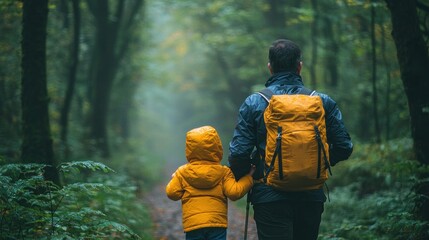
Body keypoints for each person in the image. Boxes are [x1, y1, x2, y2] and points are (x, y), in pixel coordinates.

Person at [228, 39, 353, 240]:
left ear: (270, 68)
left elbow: (239, 153)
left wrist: (247, 174)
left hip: (268, 196)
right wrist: (317, 162)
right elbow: (344, 146)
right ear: (299, 67)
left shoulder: (254, 102)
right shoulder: (322, 101)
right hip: (310, 195)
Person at [166, 125, 255, 240]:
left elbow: (172, 193)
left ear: (189, 149)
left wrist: (175, 178)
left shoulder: (182, 172)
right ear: (217, 147)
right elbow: (234, 193)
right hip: (216, 223)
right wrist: (248, 177)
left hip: (193, 224)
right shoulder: (223, 172)